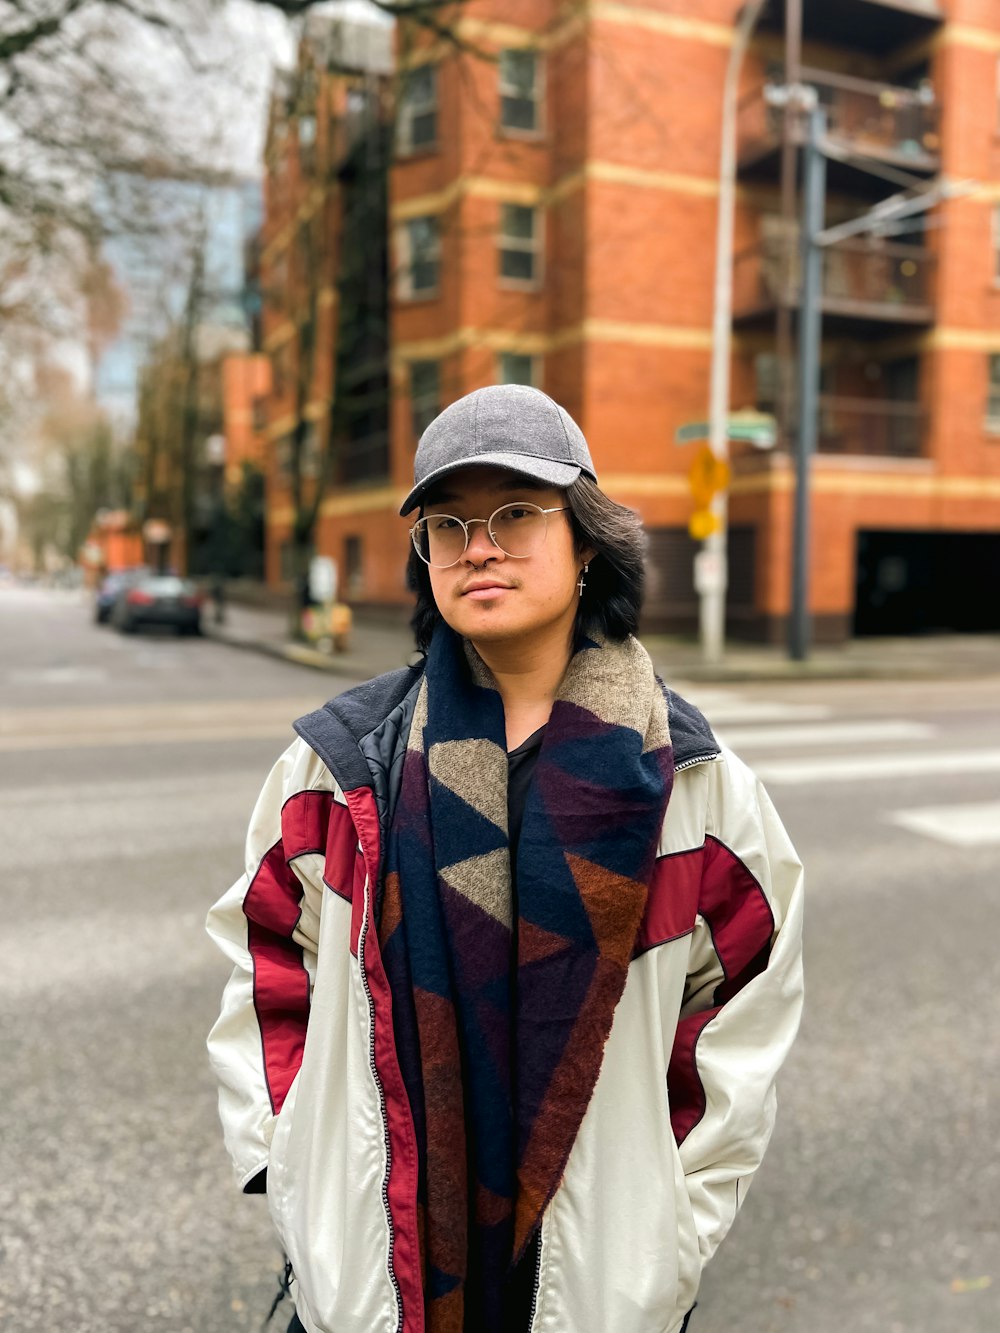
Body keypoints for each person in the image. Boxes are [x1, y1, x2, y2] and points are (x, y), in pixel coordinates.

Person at [206, 384, 804, 1333]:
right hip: (386, 1264)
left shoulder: (694, 788)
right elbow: (268, 963)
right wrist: (297, 1172)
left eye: (516, 511)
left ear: (587, 542)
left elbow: (740, 1016)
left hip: (594, 1288)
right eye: (449, 522)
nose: (478, 543)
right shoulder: (335, 769)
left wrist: (668, 1236)